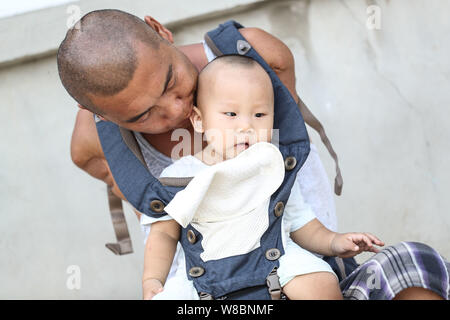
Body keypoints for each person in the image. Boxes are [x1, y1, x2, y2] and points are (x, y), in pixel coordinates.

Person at [58, 9, 448, 300]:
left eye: (171, 82)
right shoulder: (94, 142)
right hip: (211, 290)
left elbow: (286, 163)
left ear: (161, 31)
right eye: (143, 115)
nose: (174, 111)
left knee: (413, 267)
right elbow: (150, 213)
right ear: (99, 114)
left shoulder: (257, 59)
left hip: (300, 265)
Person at [142, 55, 385, 300]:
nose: (246, 126)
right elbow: (163, 233)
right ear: (199, 120)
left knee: (320, 280)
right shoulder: (179, 175)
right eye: (230, 113)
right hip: (200, 276)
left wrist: (334, 242)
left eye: (259, 115)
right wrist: (152, 278)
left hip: (276, 260)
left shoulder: (272, 165)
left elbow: (301, 221)